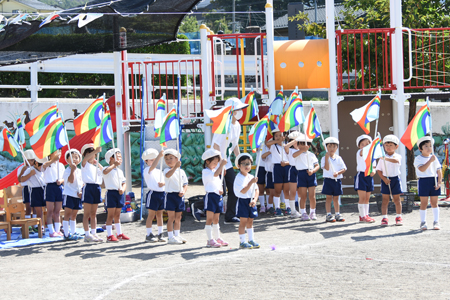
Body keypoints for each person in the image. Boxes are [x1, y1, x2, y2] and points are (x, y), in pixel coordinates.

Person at [211, 97, 248, 224]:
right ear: (231, 111)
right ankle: (206, 211)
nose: (241, 111)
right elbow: (216, 145)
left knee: (233, 188)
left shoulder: (237, 125)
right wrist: (220, 164)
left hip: (227, 162)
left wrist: (240, 160)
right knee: (217, 190)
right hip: (216, 163)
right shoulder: (223, 125)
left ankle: (230, 215)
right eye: (239, 109)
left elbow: (235, 144)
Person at [414, 136, 442, 230]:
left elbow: (439, 170)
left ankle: (436, 221)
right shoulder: (418, 159)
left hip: (433, 180)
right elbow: (421, 169)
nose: (429, 148)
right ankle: (423, 222)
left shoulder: (434, 158)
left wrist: (439, 183)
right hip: (423, 181)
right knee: (424, 203)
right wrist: (430, 161)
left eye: (430, 146)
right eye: (426, 146)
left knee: (434, 203)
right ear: (420, 148)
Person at [202, 149, 228, 248]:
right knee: (209, 219)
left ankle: (217, 238)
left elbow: (217, 182)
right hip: (211, 197)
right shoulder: (206, 171)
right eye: (214, 163)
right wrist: (221, 165)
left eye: (217, 163)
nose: (216, 164)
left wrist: (220, 190)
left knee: (216, 219)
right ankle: (209, 240)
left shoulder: (214, 170)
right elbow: (215, 175)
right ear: (207, 161)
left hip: (218, 196)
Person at [376, 135, 403, 226]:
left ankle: (399, 217)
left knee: (397, 199)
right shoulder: (381, 158)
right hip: (385, 179)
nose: (388, 147)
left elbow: (396, 161)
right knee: (385, 200)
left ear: (396, 146)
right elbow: (379, 170)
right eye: (386, 145)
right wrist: (384, 179)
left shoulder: (398, 156)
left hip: (395, 179)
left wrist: (384, 158)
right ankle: (384, 217)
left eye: (391, 145)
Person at [234, 153, 260, 249]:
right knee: (243, 222)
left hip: (251, 201)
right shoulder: (238, 178)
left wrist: (255, 199)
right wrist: (251, 182)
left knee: (250, 222)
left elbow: (256, 190)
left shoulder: (251, 177)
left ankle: (251, 239)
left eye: (248, 163)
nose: (246, 166)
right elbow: (243, 190)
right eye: (244, 163)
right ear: (239, 166)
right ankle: (242, 241)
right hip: (242, 202)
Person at [103, 148, 129, 242]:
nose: (120, 159)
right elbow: (105, 172)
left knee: (118, 215)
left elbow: (124, 182)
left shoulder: (120, 171)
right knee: (110, 215)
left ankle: (119, 233)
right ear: (111, 158)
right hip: (111, 193)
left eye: (121, 157)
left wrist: (123, 189)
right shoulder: (107, 168)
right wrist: (114, 165)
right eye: (118, 157)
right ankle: (109, 235)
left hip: (119, 193)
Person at [164, 149, 188, 244]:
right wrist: (175, 168)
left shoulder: (181, 172)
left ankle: (177, 235)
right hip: (170, 196)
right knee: (171, 217)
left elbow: (185, 184)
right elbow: (168, 175)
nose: (168, 160)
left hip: (179, 196)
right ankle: (170, 237)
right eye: (166, 159)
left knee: (178, 217)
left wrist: (183, 191)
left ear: (177, 159)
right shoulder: (166, 170)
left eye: (171, 158)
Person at [293, 133, 319, 221]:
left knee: (312, 196)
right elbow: (294, 155)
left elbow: (317, 165)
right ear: (298, 144)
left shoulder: (311, 155)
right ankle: (303, 212)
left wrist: (313, 171)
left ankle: (312, 212)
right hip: (301, 174)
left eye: (306, 144)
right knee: (303, 195)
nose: (304, 145)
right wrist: (302, 150)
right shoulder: (297, 153)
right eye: (302, 143)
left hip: (311, 174)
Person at [142, 148, 166, 243]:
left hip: (161, 193)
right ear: (146, 161)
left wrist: (163, 183)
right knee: (151, 215)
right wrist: (159, 157)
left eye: (154, 159)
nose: (153, 161)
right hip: (153, 194)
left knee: (160, 214)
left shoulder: (159, 171)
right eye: (151, 160)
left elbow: (164, 181)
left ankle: (160, 233)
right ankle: (149, 234)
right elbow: (152, 167)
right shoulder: (147, 169)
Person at [81, 143, 103, 242]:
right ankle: (87, 234)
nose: (91, 155)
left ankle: (94, 233)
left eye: (92, 153)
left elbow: (104, 171)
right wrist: (95, 151)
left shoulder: (95, 167)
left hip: (96, 188)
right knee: (87, 213)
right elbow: (85, 159)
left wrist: (97, 163)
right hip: (88, 187)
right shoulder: (84, 165)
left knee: (94, 213)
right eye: (88, 154)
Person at [321, 137, 347, 222]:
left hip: (337, 180)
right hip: (328, 180)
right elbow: (327, 168)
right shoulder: (323, 158)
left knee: (336, 198)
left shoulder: (339, 158)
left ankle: (337, 213)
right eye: (329, 146)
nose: (331, 149)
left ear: (337, 148)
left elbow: (344, 169)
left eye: (334, 146)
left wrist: (338, 173)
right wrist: (326, 158)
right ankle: (328, 214)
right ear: (326, 147)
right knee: (328, 198)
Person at [265, 128, 290, 217]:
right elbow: (267, 143)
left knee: (286, 190)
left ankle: (288, 207)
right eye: (276, 136)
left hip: (286, 167)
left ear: (284, 136)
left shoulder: (287, 145)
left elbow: (291, 158)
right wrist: (276, 141)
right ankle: (277, 208)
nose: (278, 137)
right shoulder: (273, 146)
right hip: (277, 168)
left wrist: (286, 163)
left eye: (280, 135)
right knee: (277, 190)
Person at [42, 149, 65, 237]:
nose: (58, 153)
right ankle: (51, 231)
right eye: (56, 151)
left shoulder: (61, 165)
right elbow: (43, 167)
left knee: (57, 211)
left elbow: (64, 177)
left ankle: (57, 230)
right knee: (50, 211)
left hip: (58, 187)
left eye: (59, 151)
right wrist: (53, 160)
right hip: (50, 187)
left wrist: (61, 181)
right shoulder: (47, 164)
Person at [62, 149, 84, 240]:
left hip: (77, 195)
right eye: (71, 157)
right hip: (69, 194)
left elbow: (82, 183)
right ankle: (66, 234)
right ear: (67, 160)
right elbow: (70, 180)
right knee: (67, 214)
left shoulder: (80, 171)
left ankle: (73, 232)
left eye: (76, 157)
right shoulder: (67, 170)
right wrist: (72, 170)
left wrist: (81, 191)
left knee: (74, 215)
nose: (74, 159)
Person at [21, 156, 46, 234]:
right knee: (38, 211)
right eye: (41, 165)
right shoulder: (30, 170)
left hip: (44, 189)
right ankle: (39, 227)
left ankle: (45, 226)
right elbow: (22, 179)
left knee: (46, 209)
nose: (42, 167)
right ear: (36, 163)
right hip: (35, 190)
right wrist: (30, 174)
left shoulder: (44, 169)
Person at [354, 135, 376, 223]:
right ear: (359, 146)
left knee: (367, 198)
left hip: (369, 177)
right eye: (362, 144)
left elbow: (374, 166)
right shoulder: (360, 152)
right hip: (361, 176)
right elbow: (363, 152)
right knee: (362, 197)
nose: (365, 146)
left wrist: (373, 171)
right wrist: (370, 146)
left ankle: (366, 215)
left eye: (367, 144)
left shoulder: (372, 155)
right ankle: (362, 216)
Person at [17, 149, 38, 233]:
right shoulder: (21, 168)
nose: (30, 162)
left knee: (36, 207)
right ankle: (28, 225)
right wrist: (24, 170)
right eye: (28, 160)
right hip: (26, 188)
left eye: (32, 160)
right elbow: (19, 180)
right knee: (28, 207)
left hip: (34, 188)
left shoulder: (35, 167)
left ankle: (35, 225)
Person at [284, 131, 302, 218]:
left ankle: (302, 210)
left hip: (301, 170)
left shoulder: (303, 150)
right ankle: (293, 211)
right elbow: (286, 147)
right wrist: (295, 139)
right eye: (295, 142)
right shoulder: (290, 150)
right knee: (293, 191)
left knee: (301, 191)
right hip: (293, 170)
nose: (297, 144)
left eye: (298, 142)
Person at [262, 146, 275, 215]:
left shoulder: (279, 150)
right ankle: (270, 207)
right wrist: (270, 151)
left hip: (278, 173)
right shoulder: (267, 151)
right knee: (271, 192)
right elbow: (263, 157)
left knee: (278, 192)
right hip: (269, 173)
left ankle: (278, 207)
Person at [256, 145, 267, 213]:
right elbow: (254, 149)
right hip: (260, 165)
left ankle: (269, 205)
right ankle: (262, 205)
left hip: (271, 165)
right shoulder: (258, 138)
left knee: (270, 187)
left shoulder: (272, 139)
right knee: (260, 186)